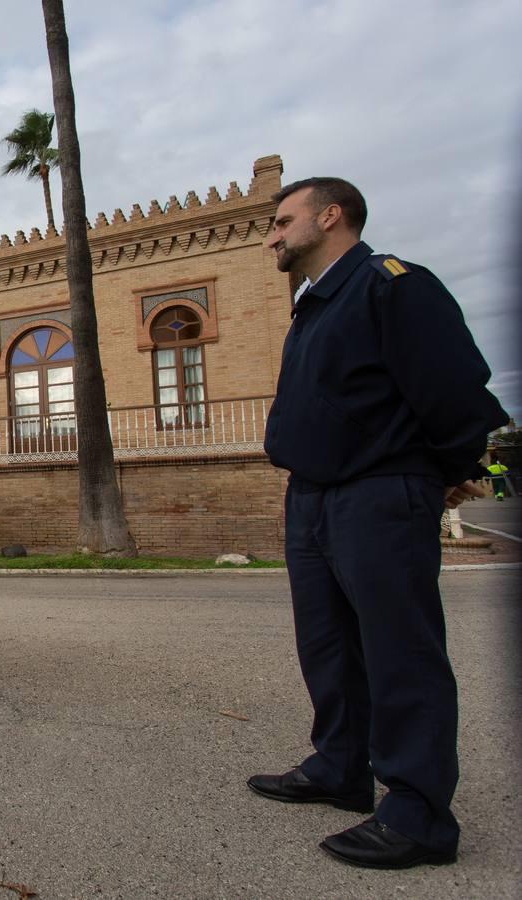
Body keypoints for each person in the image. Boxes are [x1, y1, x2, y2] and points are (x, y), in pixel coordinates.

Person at [251, 178, 507, 868]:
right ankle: (340, 766)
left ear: (329, 217)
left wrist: (449, 467)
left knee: (400, 651)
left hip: (377, 493)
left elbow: (454, 387)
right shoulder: (316, 307)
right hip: (313, 496)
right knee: (328, 643)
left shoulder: (389, 285)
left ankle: (419, 814)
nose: (271, 235)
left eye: (282, 221)